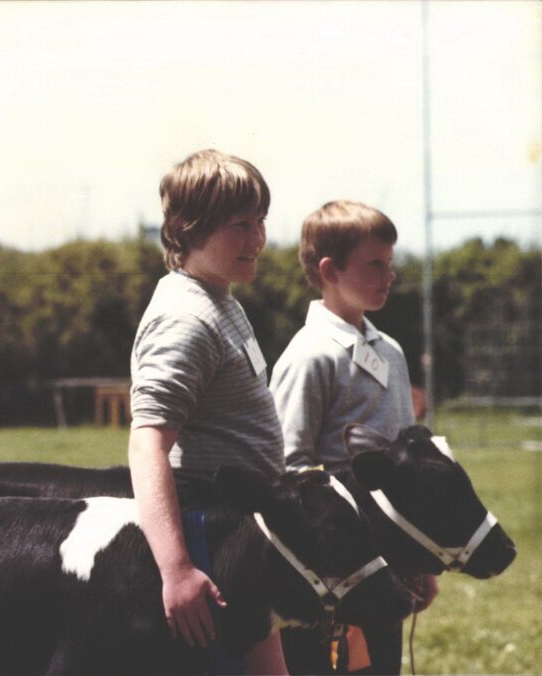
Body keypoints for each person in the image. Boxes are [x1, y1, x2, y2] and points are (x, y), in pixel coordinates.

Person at [129, 149, 288, 674]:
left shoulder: (219, 300)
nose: (257, 238)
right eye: (240, 224)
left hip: (237, 531)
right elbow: (147, 440)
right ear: (185, 226)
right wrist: (176, 569)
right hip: (207, 538)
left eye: (261, 220)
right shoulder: (186, 317)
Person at [269, 200, 438, 674]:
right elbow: (289, 466)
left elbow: (410, 460)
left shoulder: (393, 352)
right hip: (333, 574)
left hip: (392, 566)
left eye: (391, 263)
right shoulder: (308, 356)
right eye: (375, 264)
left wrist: (419, 558)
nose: (390, 275)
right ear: (329, 269)